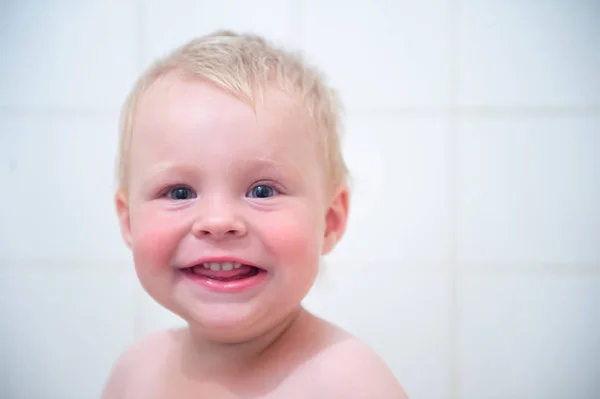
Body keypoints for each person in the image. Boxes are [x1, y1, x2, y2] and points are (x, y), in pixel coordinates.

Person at [102, 30, 407, 399]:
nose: (218, 221)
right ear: (129, 222)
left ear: (330, 220)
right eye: (179, 192)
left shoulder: (349, 384)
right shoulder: (136, 371)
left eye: (262, 191)